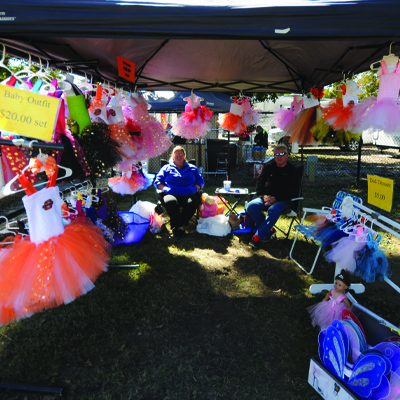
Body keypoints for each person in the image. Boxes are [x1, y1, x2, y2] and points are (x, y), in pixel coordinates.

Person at [246, 144, 300, 249]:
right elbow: (260, 184)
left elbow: (293, 191)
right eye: (276, 155)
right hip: (266, 198)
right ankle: (268, 230)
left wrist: (276, 198)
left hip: (283, 201)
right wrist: (263, 196)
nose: (279, 157)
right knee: (251, 206)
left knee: (274, 209)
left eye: (282, 154)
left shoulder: (292, 171)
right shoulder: (269, 168)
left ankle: (258, 236)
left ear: (287, 155)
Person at [154, 146, 204, 237]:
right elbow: (157, 181)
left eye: (181, 154)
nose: (179, 155)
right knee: (170, 202)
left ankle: (178, 224)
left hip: (189, 193)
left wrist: (195, 188)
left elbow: (200, 181)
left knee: (192, 202)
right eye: (176, 154)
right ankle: (180, 227)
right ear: (173, 155)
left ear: (184, 156)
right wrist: (164, 189)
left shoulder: (192, 167)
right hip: (171, 193)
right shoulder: (166, 167)